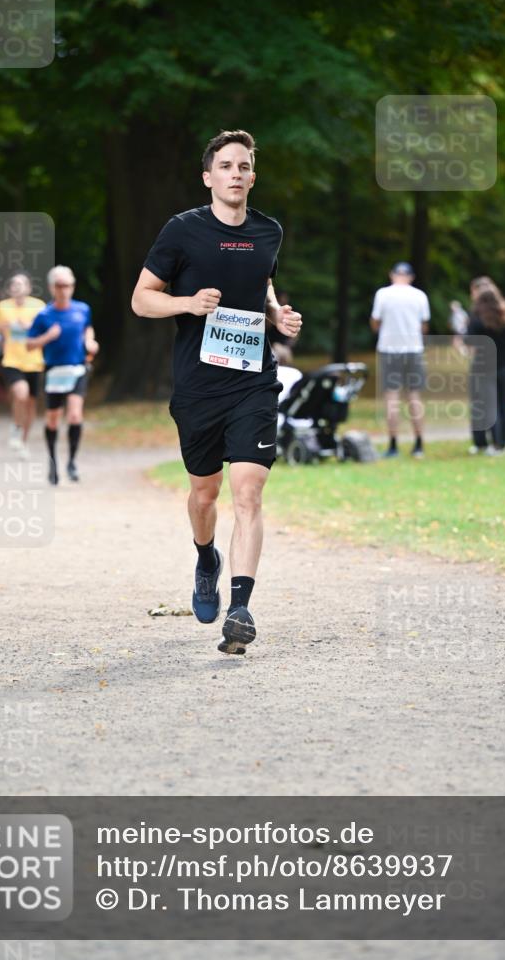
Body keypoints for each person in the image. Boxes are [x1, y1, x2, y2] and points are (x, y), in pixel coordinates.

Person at [131, 129, 302, 656]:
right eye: (225, 166)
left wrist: (275, 314)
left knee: (248, 493)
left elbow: (263, 283)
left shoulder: (269, 231)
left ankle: (240, 610)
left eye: (243, 166)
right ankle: (206, 558)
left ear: (253, 176)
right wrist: (187, 303)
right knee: (205, 494)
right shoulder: (183, 230)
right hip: (198, 387)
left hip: (254, 381)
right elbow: (141, 298)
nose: (235, 174)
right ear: (208, 177)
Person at [27, 265, 99, 484]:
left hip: (77, 368)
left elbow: (88, 328)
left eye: (68, 285)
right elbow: (29, 344)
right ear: (51, 287)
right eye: (59, 285)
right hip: (54, 371)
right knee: (53, 419)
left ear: (73, 286)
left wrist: (90, 341)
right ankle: (52, 461)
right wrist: (47, 337)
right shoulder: (43, 315)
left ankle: (72, 462)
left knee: (75, 415)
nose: (64, 290)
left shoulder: (82, 309)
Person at [370, 261, 430, 459]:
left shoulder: (383, 294)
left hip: (389, 349)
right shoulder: (420, 295)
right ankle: (419, 444)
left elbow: (375, 321)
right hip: (414, 349)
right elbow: (424, 325)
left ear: (392, 274)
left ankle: (393, 445)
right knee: (414, 396)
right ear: (411, 277)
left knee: (392, 398)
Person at [0, 273, 46, 457]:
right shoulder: (3, 306)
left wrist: (29, 326)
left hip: (34, 361)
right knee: (21, 394)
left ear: (29, 288)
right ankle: (16, 427)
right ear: (9, 289)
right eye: (13, 284)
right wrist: (4, 328)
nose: (17, 287)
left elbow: (45, 330)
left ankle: (23, 440)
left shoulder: (39, 306)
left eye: (21, 284)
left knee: (31, 404)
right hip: (12, 359)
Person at [466, 285, 505, 455]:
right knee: (504, 406)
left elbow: (470, 343)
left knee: (490, 406)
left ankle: (497, 444)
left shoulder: (477, 321)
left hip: (484, 367)